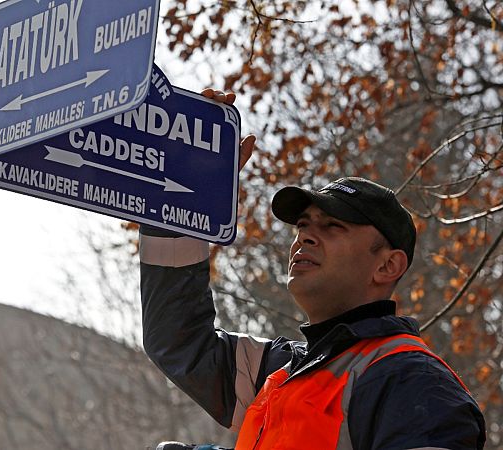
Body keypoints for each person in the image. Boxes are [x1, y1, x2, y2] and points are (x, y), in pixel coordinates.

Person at [140, 90, 486, 450]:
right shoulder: (281, 369)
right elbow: (177, 340)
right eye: (303, 225)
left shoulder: (412, 380)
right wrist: (182, 198)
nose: (305, 236)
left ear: (387, 265)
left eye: (333, 226)